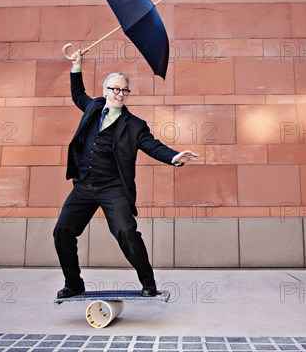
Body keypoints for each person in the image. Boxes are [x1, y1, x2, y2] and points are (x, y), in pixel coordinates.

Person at [54, 50, 198, 298]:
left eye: (125, 91)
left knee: (126, 233)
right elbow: (78, 94)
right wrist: (76, 65)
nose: (120, 94)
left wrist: (173, 157)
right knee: (62, 231)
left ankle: (148, 282)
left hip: (113, 188)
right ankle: (74, 283)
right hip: (84, 186)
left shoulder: (134, 125)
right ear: (106, 90)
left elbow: (153, 146)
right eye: (116, 89)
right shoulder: (93, 107)